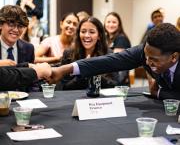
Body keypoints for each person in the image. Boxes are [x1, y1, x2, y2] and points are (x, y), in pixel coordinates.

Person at [48, 23, 180, 100]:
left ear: (174, 57)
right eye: (146, 56)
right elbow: (110, 61)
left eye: (154, 60)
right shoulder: (147, 51)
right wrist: (64, 69)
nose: (147, 61)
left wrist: (158, 93)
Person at [57, 16, 119, 90]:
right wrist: (83, 72)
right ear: (78, 34)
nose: (87, 35)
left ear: (99, 35)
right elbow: (64, 87)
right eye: (83, 31)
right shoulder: (68, 53)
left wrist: (94, 72)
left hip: (99, 100)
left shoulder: (108, 54)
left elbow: (114, 85)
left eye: (92, 32)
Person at [104, 12, 131, 85]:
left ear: (119, 24)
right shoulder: (107, 38)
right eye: (108, 22)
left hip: (119, 84)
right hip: (110, 81)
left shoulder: (121, 38)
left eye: (114, 22)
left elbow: (117, 63)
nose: (111, 24)